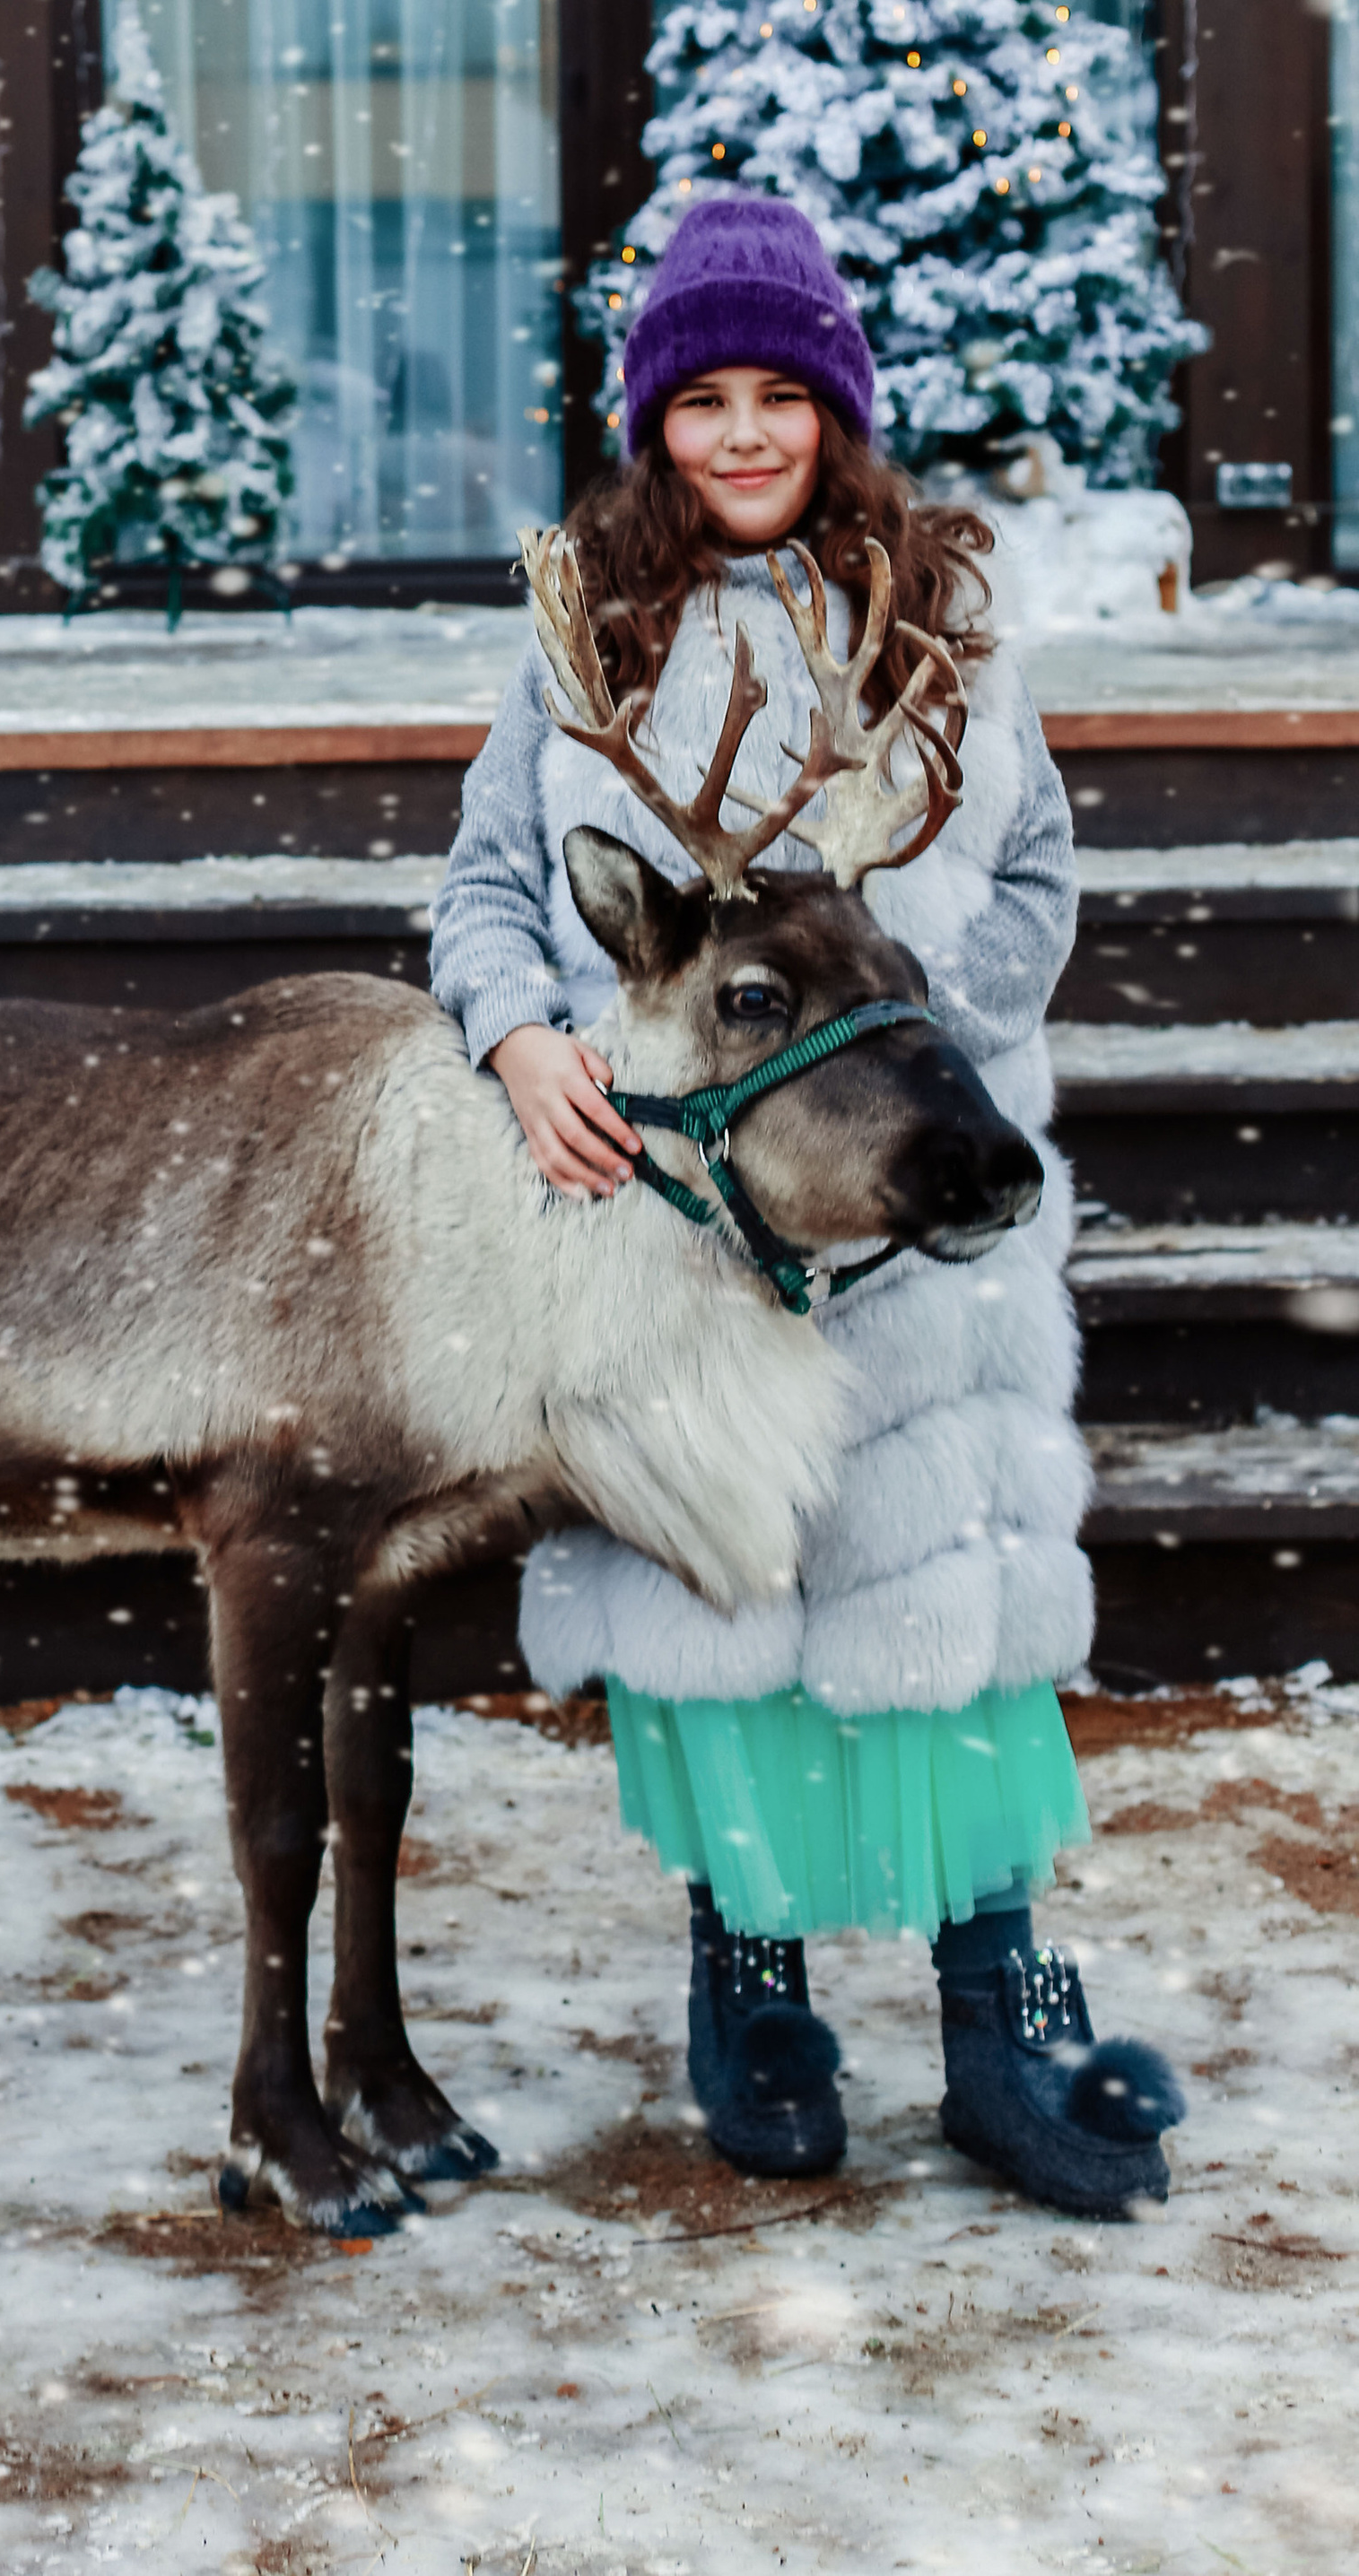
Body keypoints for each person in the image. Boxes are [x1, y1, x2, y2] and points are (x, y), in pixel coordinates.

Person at [431, 195, 1184, 2218]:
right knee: (720, 1607)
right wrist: (522, 1045)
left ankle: (994, 2007)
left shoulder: (936, 628)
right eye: (704, 402)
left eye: (782, 397)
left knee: (941, 1608)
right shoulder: (581, 637)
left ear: (835, 415)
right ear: (652, 423)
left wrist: (902, 1059)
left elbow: (1030, 885)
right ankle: (746, 1984)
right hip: (683, 1209)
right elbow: (488, 893)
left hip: (920, 1203)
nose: (744, 436)